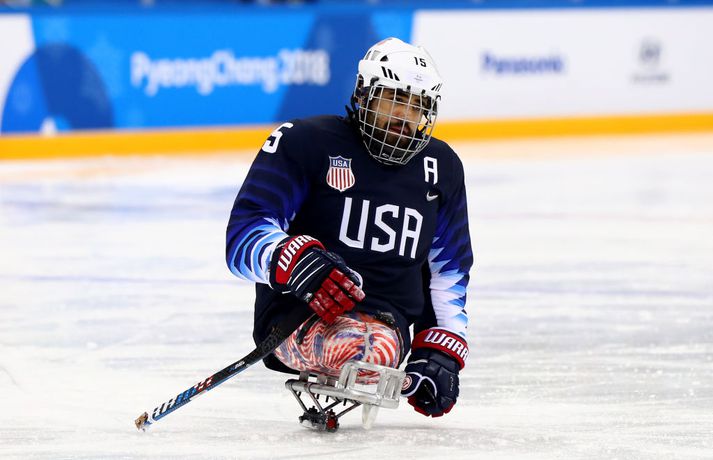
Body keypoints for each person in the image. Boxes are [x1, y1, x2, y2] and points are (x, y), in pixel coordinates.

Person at [226, 37, 472, 418]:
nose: (404, 116)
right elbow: (244, 235)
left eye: (416, 105)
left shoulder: (442, 168)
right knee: (360, 348)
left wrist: (440, 351)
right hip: (301, 316)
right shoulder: (305, 143)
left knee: (371, 347)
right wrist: (293, 259)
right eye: (393, 98)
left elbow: (448, 274)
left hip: (388, 324)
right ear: (364, 94)